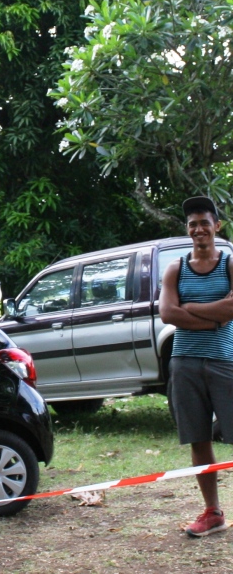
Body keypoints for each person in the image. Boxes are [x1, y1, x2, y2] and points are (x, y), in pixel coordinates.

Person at [159, 195, 233, 537]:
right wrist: (211, 319)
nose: (199, 229)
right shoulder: (176, 267)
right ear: (187, 230)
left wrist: (191, 308)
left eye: (205, 222)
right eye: (193, 224)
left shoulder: (229, 263)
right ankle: (212, 512)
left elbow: (232, 310)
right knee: (198, 439)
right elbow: (167, 314)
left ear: (216, 226)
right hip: (184, 364)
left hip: (225, 361)